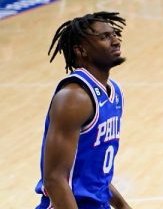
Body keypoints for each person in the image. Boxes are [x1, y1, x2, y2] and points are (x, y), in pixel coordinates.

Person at [34, 12, 131, 209]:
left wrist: (123, 206)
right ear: (81, 50)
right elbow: (54, 179)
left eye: (115, 34)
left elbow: (94, 175)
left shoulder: (114, 91)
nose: (115, 41)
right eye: (104, 37)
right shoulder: (74, 98)